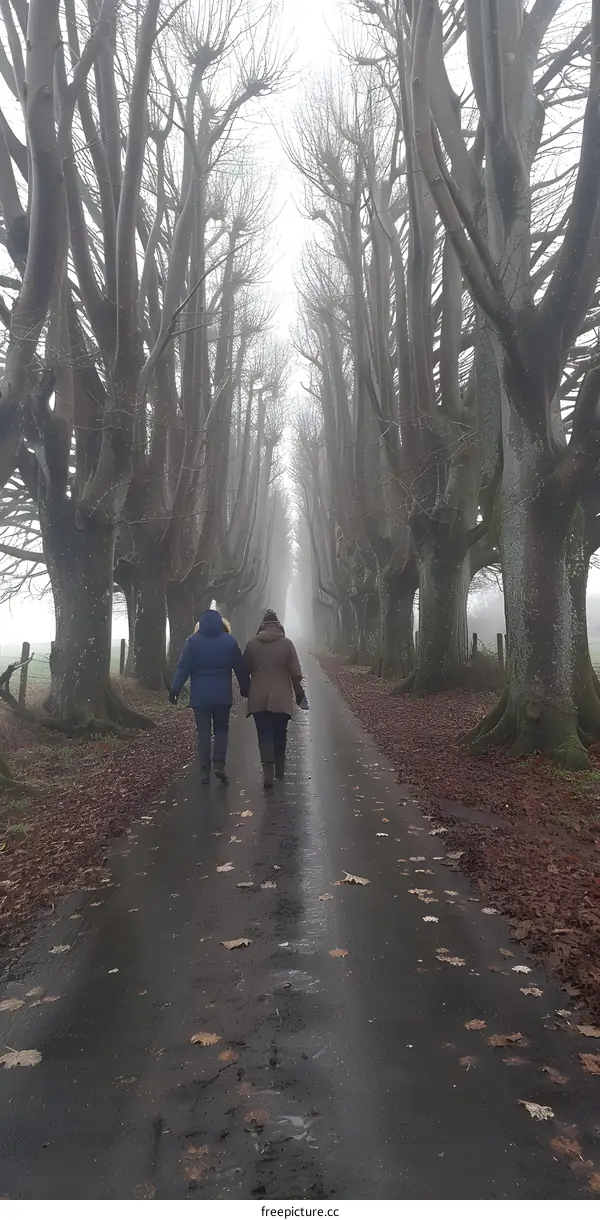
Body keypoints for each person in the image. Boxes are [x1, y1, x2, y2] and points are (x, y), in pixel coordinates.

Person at [169, 609, 248, 785]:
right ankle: (219, 762)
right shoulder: (230, 641)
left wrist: (174, 690)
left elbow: (183, 668)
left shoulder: (192, 642)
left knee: (203, 732)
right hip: (222, 696)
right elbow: (240, 668)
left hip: (200, 697)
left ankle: (204, 771)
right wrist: (245, 688)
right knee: (221, 730)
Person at [243, 609, 306, 789]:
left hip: (258, 696)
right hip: (281, 697)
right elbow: (295, 672)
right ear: (279, 626)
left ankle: (268, 771)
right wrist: (299, 691)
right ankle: (280, 768)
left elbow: (243, 668)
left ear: (262, 626)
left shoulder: (252, 644)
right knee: (280, 732)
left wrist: (246, 688)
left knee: (264, 734)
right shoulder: (287, 644)